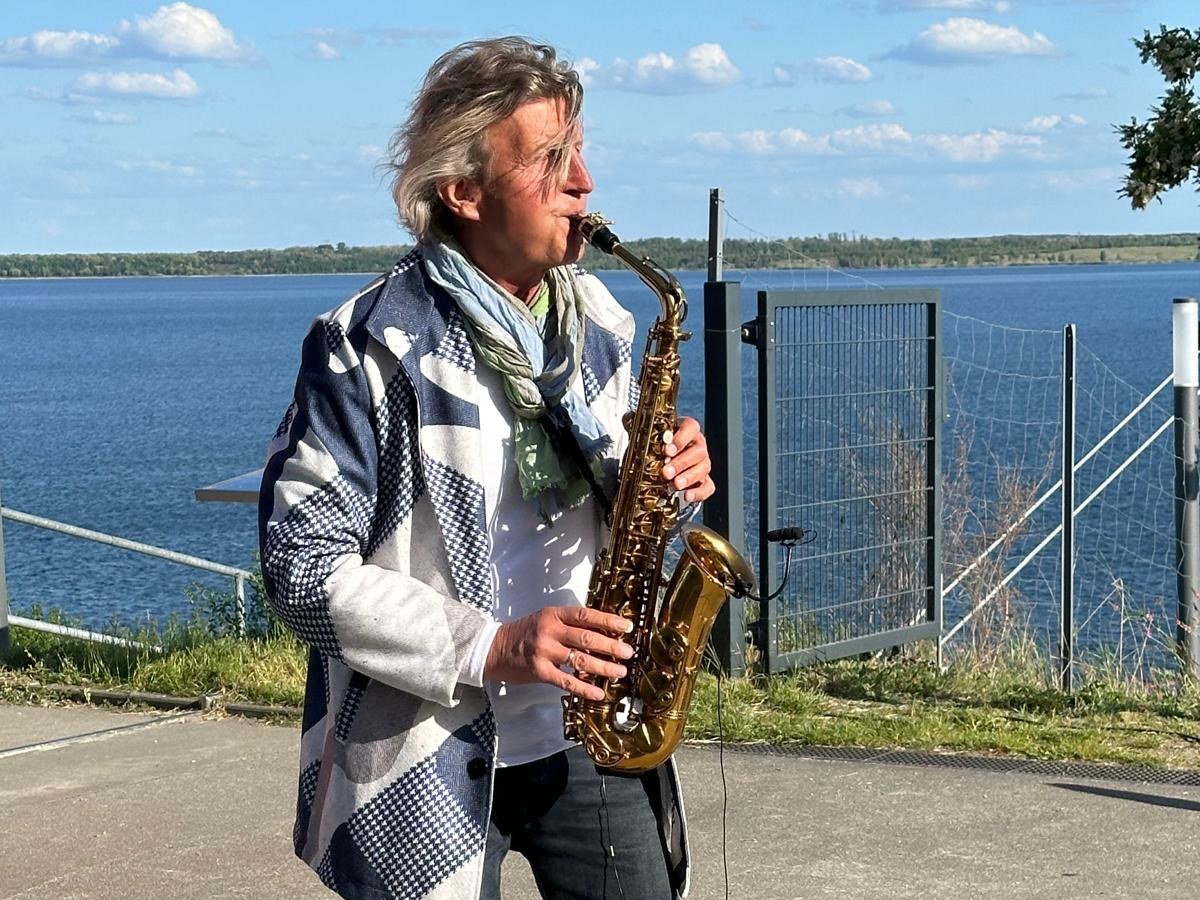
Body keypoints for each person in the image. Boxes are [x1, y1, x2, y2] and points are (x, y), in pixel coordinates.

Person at [259, 36, 715, 900]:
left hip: (593, 729)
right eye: (550, 159)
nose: (584, 182)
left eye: (579, 153)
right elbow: (300, 572)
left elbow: (629, 524)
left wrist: (667, 482)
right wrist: (494, 646)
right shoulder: (365, 346)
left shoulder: (605, 321)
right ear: (463, 192)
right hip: (423, 753)